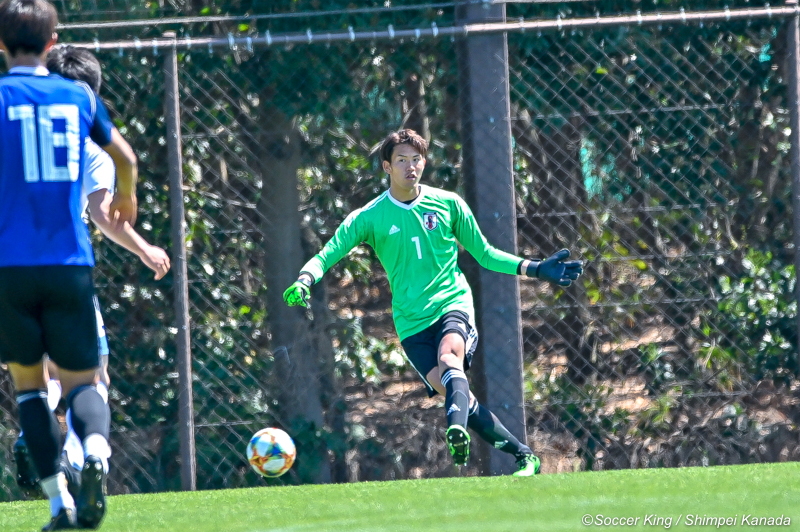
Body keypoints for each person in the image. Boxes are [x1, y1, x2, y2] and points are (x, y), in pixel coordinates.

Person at [284, 129, 583, 476]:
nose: (410, 166)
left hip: (451, 303)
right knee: (460, 398)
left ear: (423, 163)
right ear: (386, 166)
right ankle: (524, 456)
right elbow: (328, 252)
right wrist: (306, 279)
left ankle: (454, 430)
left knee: (448, 360)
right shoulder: (369, 217)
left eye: (416, 159)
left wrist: (534, 268)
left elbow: (484, 254)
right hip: (411, 324)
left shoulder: (449, 203)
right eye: (401, 160)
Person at [0, 1, 139, 529]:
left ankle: (60, 504)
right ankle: (97, 454)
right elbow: (124, 158)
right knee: (86, 384)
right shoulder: (77, 95)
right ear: (53, 42)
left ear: (1, 43)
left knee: (33, 390)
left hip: (10, 268)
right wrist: (128, 199)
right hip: (68, 263)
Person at [13, 44, 171, 499]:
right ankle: (85, 459)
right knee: (93, 376)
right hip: (65, 266)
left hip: (11, 269)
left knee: (35, 381)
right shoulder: (89, 144)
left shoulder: (16, 127)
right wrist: (144, 248)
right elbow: (105, 214)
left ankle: (36, 443)